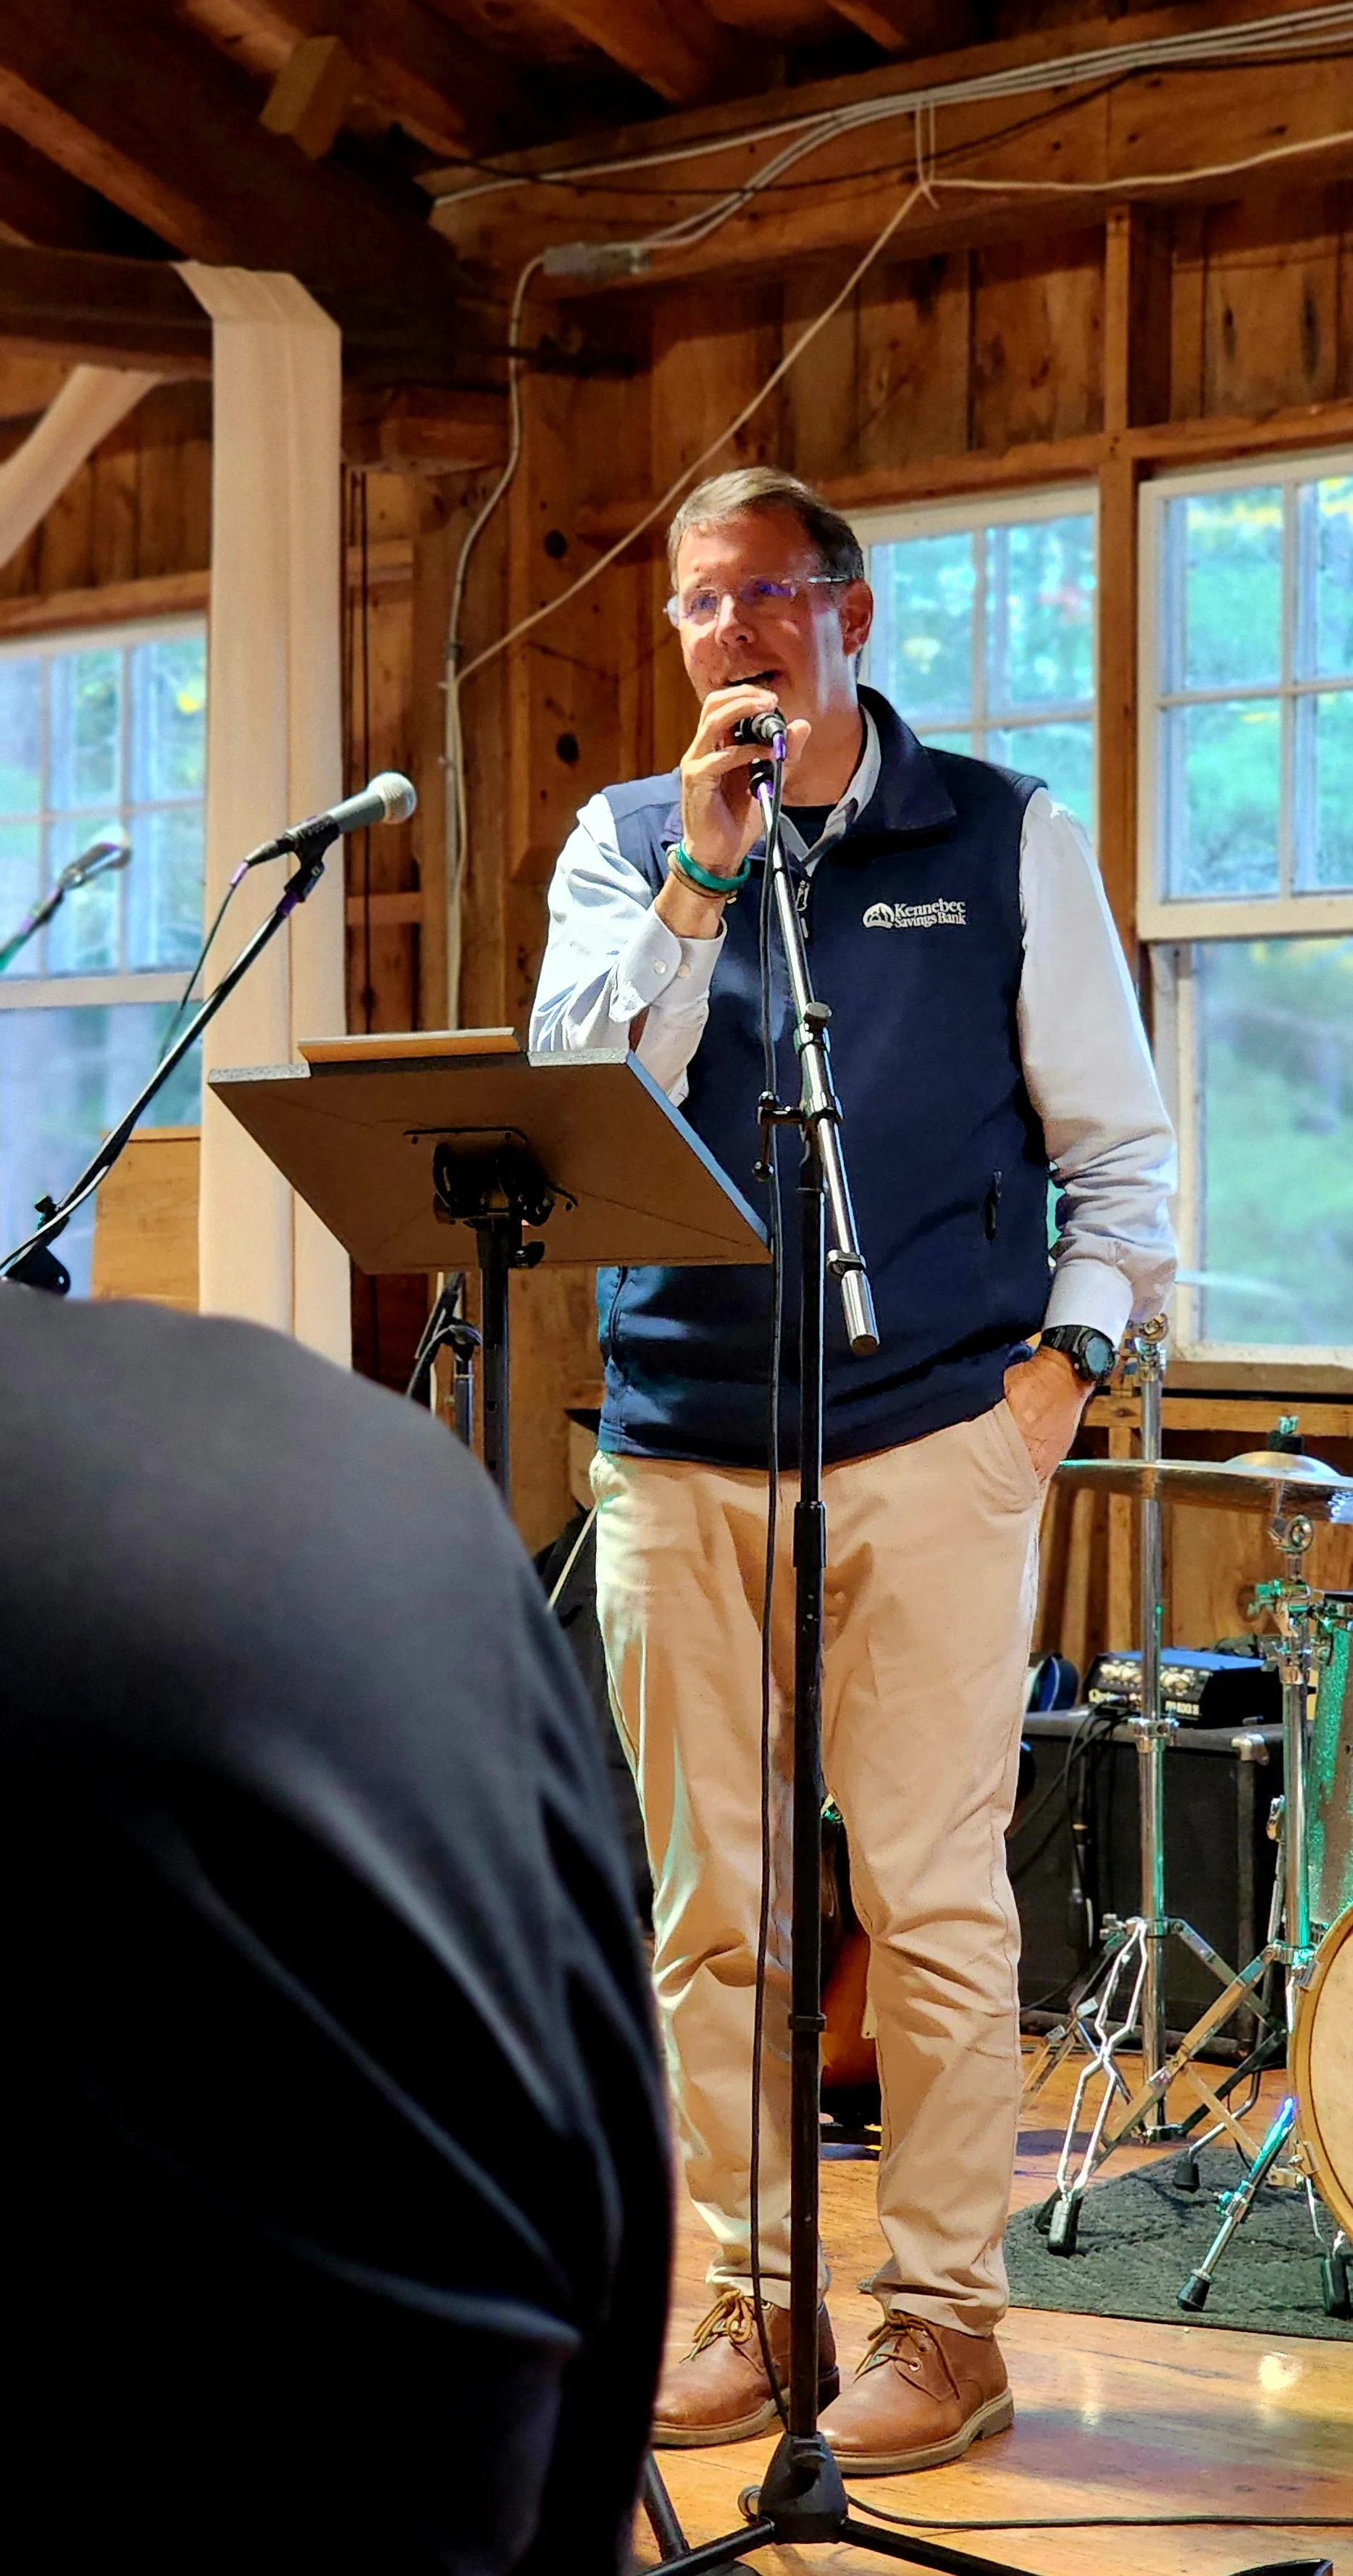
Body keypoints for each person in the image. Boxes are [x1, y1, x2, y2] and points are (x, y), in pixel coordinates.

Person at [531, 465, 1176, 2474]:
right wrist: (700, 884)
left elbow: (1123, 1154)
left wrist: (1059, 1374)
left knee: (927, 1897)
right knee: (707, 1915)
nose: (729, 633)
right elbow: (565, 1103)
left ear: (849, 608)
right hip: (677, 1450)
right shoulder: (626, 842)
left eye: (764, 596)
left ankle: (945, 2323)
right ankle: (745, 2299)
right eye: (695, 604)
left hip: (932, 1443)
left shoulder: (995, 834)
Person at [0, 1284, 669, 2574]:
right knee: (700, 1917)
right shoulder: (371, 1463)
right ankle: (751, 2315)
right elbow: (602, 2097)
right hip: (462, 2453)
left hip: (898, 1427)